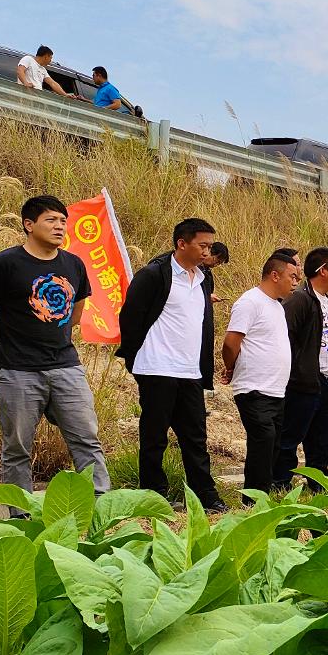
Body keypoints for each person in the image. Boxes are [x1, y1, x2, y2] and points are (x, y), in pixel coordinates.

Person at [0, 195, 109, 494]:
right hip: (17, 369)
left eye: (63, 221)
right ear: (29, 224)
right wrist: (9, 338)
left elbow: (77, 309)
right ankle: (20, 515)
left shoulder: (73, 263)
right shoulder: (5, 264)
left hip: (66, 365)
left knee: (86, 438)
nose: (60, 227)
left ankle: (100, 506)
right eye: (51, 220)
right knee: (17, 446)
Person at [116, 218, 225, 512]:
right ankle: (153, 495)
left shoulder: (203, 279)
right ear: (181, 243)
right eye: (202, 245)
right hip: (156, 367)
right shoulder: (154, 275)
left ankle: (206, 495)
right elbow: (130, 318)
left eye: (209, 245)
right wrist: (136, 357)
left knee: (196, 437)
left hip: (190, 370)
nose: (207, 251)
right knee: (154, 436)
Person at [222, 250, 302, 501]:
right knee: (263, 442)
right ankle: (252, 500)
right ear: (275, 275)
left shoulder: (277, 306)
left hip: (276, 389)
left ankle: (261, 495)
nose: (296, 282)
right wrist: (231, 366)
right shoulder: (250, 301)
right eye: (292, 276)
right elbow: (231, 342)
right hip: (254, 388)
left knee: (273, 445)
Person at [275, 246, 328, 486]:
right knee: (291, 435)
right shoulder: (300, 298)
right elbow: (286, 338)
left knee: (322, 437)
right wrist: (296, 372)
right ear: (322, 270)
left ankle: (317, 483)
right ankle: (281, 482)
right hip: (303, 381)